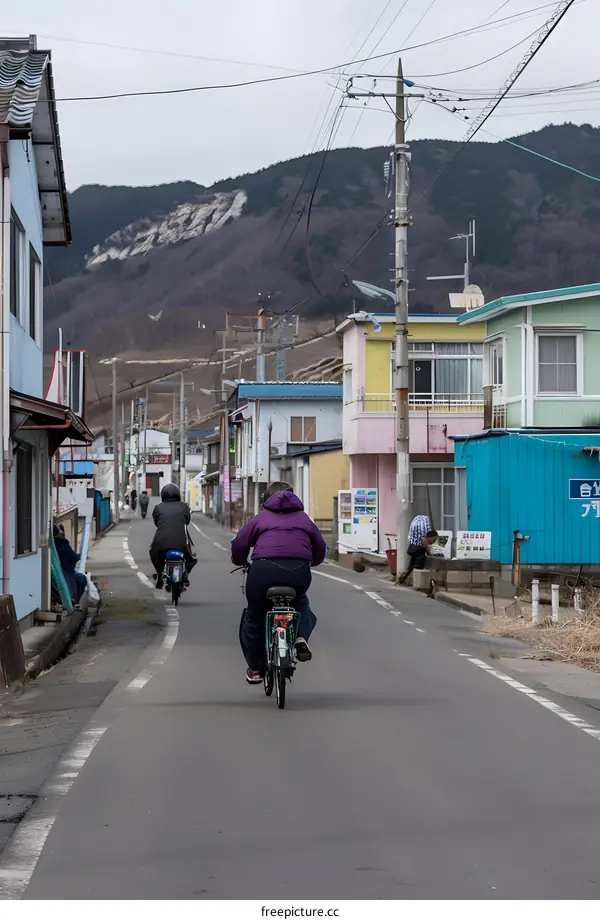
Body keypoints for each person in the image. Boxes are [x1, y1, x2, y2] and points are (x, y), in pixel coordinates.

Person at [231, 481, 326, 685]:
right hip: (298, 571)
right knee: (301, 603)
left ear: (267, 499)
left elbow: (240, 542)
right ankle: (300, 637)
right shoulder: (305, 519)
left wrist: (240, 560)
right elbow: (320, 547)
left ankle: (256, 669)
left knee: (255, 616)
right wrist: (313, 562)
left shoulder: (261, 518)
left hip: (263, 570)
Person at [150, 483, 197, 589]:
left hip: (161, 542)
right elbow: (187, 521)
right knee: (192, 556)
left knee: (153, 552)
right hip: (182, 542)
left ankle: (159, 574)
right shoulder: (184, 506)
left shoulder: (158, 508)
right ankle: (185, 573)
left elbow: (156, 522)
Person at [53, 523, 87, 607]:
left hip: (56, 573)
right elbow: (73, 557)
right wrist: (80, 556)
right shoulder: (63, 544)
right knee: (82, 578)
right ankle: (75, 600)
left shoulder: (52, 544)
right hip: (67, 572)